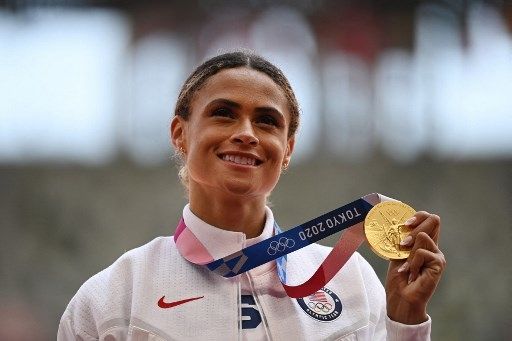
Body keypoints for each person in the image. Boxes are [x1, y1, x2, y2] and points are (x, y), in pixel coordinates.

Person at [58, 51, 446, 340]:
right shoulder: (115, 295)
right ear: (180, 134)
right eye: (224, 113)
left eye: (266, 120)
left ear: (287, 149)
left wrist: (406, 322)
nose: (247, 132)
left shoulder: (352, 280)